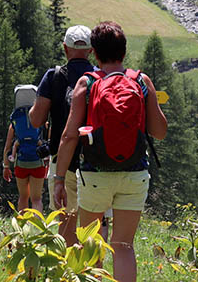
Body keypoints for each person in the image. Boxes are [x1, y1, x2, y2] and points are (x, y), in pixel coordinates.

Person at [52, 21, 167, 282]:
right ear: (124, 53)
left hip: (94, 175)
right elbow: (159, 132)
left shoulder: (87, 83)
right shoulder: (141, 81)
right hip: (134, 173)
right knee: (123, 245)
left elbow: (70, 136)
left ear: (94, 52)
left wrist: (59, 179)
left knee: (91, 244)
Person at [29, 24, 96, 244]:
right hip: (96, 159)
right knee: (94, 224)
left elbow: (36, 119)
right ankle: (93, 271)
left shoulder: (53, 77)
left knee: (66, 219)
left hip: (62, 159)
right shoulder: (99, 77)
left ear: (65, 48)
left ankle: (68, 271)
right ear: (91, 50)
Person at [3, 84, 47, 212]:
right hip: (37, 163)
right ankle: (37, 227)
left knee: (23, 197)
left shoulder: (15, 121)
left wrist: (6, 166)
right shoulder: (40, 118)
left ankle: (22, 226)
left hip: (21, 163)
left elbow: (7, 147)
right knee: (36, 199)